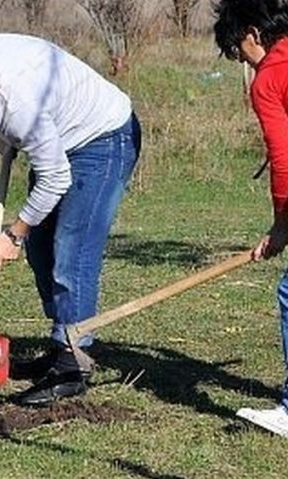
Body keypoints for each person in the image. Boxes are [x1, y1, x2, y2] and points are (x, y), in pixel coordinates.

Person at [0, 34, 141, 406]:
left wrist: (15, 233)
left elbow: (55, 178)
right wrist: (0, 134)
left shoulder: (19, 102)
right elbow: (12, 129)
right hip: (57, 135)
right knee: (43, 252)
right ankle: (63, 343)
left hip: (104, 139)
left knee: (72, 250)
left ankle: (73, 364)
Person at [214, 0, 288, 436]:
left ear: (254, 34)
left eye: (239, 49)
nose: (241, 59)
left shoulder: (270, 78)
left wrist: (282, 223)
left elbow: (283, 158)